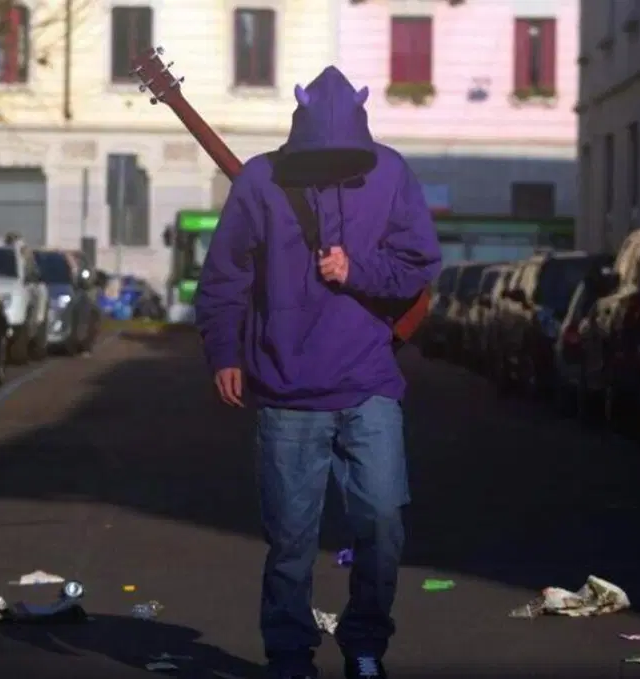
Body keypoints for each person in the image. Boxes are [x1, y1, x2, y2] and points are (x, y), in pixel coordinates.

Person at [194, 66, 442, 679]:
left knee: (383, 522)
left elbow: (419, 262)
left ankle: (365, 643)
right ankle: (288, 655)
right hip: (285, 390)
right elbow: (225, 276)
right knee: (290, 541)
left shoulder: (390, 173)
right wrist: (224, 353)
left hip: (368, 383)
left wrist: (357, 270)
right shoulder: (260, 180)